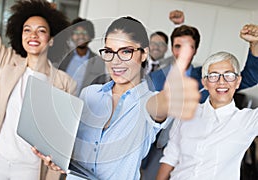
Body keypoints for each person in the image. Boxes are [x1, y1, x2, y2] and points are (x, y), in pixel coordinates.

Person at [33, 16, 201, 180]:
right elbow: (76, 151)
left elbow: (159, 107)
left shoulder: (148, 101)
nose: (116, 61)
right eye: (109, 52)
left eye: (126, 52)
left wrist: (171, 95)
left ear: (144, 54)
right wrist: (58, 159)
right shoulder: (89, 94)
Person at [0, 0, 76, 179]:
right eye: (27, 30)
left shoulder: (65, 83)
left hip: (30, 166)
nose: (33, 35)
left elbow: (60, 141)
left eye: (41, 31)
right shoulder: (8, 61)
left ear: (52, 39)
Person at [142, 24, 258, 180]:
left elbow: (250, 76)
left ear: (195, 49)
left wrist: (255, 45)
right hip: (157, 148)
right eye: (178, 46)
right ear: (172, 48)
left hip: (203, 150)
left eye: (188, 47)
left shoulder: (210, 76)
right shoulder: (155, 79)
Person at [50, 17, 107, 94]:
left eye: (84, 33)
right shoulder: (62, 56)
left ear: (91, 36)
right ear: (72, 36)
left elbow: (100, 87)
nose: (81, 36)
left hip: (83, 103)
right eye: (77, 33)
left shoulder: (98, 62)